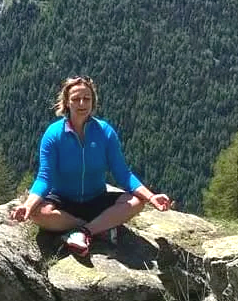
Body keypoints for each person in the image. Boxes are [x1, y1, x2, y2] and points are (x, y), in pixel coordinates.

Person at [10, 75, 172, 257]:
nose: (81, 103)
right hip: (64, 200)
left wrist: (151, 197)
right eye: (76, 99)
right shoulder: (53, 135)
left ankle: (83, 232)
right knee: (37, 213)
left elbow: (123, 174)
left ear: (93, 102)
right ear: (66, 103)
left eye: (86, 98)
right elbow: (44, 177)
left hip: (96, 198)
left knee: (137, 201)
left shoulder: (104, 132)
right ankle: (100, 227)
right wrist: (28, 205)